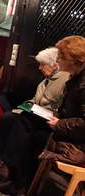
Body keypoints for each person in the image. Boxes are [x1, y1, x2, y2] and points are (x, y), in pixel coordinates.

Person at [0, 47, 70, 194]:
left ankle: (5, 168)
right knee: (7, 118)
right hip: (36, 116)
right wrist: (23, 107)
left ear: (54, 64)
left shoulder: (63, 80)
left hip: (48, 122)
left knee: (21, 124)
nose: (39, 68)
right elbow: (34, 99)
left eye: (42, 64)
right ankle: (3, 167)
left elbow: (59, 107)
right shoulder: (46, 79)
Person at [38, 36, 85, 166]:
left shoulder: (81, 82)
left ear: (73, 60)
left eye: (61, 57)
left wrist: (59, 123)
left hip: (77, 144)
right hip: (70, 133)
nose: (58, 60)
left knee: (33, 136)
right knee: (23, 121)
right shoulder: (75, 77)